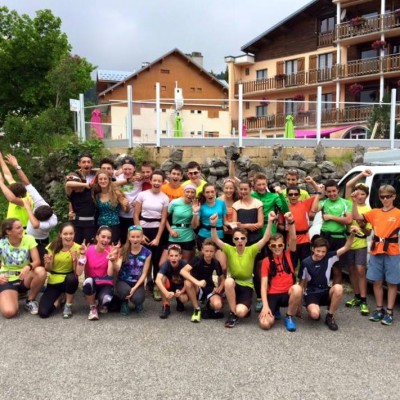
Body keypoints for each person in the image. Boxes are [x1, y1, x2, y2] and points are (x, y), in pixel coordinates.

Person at [209, 211, 274, 328]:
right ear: (233, 240)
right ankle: (232, 314)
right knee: (228, 281)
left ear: (246, 240)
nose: (239, 240)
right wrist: (213, 225)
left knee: (241, 312)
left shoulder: (252, 249)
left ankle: (241, 310)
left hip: (247, 285)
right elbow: (215, 240)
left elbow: (265, 238)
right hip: (233, 283)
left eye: (242, 238)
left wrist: (269, 221)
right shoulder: (229, 249)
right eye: (236, 238)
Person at [352, 184, 400, 326]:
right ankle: (379, 309)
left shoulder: (398, 213)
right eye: (382, 197)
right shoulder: (375, 212)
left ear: (394, 197)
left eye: (388, 197)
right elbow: (356, 216)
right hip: (376, 250)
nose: (385, 199)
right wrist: (354, 201)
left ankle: (389, 311)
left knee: (392, 282)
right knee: (377, 281)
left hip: (392, 251)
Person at [0, 154, 58, 263]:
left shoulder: (26, 201)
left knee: (23, 260)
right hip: (10, 230)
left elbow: (11, 198)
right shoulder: (16, 189)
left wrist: (1, 183)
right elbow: (8, 176)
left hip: (22, 233)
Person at [300, 228, 358, 331]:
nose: (320, 254)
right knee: (314, 315)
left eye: (323, 252)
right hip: (311, 292)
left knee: (338, 288)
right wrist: (299, 302)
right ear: (313, 249)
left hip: (325, 291)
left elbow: (346, 247)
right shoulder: (306, 262)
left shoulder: (329, 257)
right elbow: (303, 281)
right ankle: (313, 310)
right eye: (318, 251)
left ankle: (330, 316)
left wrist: (352, 234)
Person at [259, 211, 302, 332]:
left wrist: (291, 222)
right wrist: (265, 306)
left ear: (283, 245)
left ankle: (289, 317)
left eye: (279, 245)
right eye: (274, 246)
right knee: (265, 324)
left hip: (287, 293)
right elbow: (263, 286)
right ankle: (275, 308)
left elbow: (293, 238)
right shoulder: (266, 261)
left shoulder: (289, 254)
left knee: (297, 289)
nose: (277, 248)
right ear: (269, 247)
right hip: (273, 294)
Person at [0, 218, 47, 318]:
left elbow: (37, 261)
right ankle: (10, 296)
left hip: (25, 277)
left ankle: (30, 300)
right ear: (8, 231)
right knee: (9, 312)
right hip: (7, 279)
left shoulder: (29, 238)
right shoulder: (1, 243)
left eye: (22, 226)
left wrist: (28, 266)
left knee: (41, 271)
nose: (22, 229)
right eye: (18, 228)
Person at [134, 169, 169, 300]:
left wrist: (158, 237)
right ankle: (145, 282)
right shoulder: (142, 195)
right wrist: (140, 234)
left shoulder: (164, 198)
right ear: (150, 181)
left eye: (159, 181)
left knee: (156, 260)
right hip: (143, 229)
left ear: (162, 182)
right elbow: (136, 215)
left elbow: (164, 219)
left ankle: (156, 285)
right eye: (154, 180)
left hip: (157, 230)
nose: (156, 183)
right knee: (143, 259)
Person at [311, 179, 352, 284]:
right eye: (328, 192)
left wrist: (331, 217)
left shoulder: (345, 202)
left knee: (337, 269)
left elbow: (348, 220)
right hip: (324, 237)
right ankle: (321, 289)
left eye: (334, 191)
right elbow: (314, 209)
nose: (331, 194)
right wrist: (318, 194)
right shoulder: (324, 202)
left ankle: (335, 292)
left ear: (338, 190)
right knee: (321, 265)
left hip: (339, 238)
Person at [39, 223, 83, 319]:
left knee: (72, 278)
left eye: (71, 234)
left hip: (69, 280)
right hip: (54, 280)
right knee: (43, 313)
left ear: (74, 234)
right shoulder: (53, 246)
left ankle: (68, 305)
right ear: (60, 234)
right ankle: (60, 298)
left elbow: (77, 273)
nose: (68, 236)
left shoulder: (78, 248)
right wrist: (48, 262)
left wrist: (75, 260)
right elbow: (48, 269)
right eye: (65, 234)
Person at [232, 179, 264, 312]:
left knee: (257, 270)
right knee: (239, 268)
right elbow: (234, 225)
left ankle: (259, 298)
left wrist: (243, 225)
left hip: (256, 240)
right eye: (241, 189)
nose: (243, 191)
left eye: (246, 189)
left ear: (251, 189)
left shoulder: (258, 203)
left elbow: (260, 224)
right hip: (240, 240)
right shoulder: (236, 205)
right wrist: (250, 226)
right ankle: (238, 294)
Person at [344, 169, 372, 316]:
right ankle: (356, 296)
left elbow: (368, 232)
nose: (359, 196)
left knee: (361, 270)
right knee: (351, 270)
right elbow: (348, 185)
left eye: (363, 194)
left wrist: (361, 226)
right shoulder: (350, 201)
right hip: (349, 241)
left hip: (361, 242)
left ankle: (364, 299)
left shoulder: (369, 210)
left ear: (367, 196)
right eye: (358, 193)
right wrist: (362, 174)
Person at [180, 239, 225, 323]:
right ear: (202, 250)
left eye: (211, 251)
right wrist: (197, 282)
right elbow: (183, 271)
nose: (208, 253)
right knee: (187, 284)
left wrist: (219, 288)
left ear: (214, 252)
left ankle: (208, 304)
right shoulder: (197, 259)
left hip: (209, 287)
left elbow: (222, 279)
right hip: (196, 287)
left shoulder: (215, 262)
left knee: (217, 305)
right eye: (206, 251)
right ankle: (197, 309)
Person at [112, 225, 152, 316]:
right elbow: (117, 268)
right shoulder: (123, 250)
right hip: (123, 281)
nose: (135, 239)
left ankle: (138, 303)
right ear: (129, 237)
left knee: (138, 298)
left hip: (137, 282)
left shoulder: (147, 253)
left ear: (142, 237)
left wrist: (135, 288)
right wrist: (113, 261)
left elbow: (144, 274)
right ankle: (124, 302)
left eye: (138, 237)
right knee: (125, 291)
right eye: (133, 237)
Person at [81, 226, 118, 320]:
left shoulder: (112, 250)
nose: (106, 240)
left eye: (108, 238)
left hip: (106, 283)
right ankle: (92, 307)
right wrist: (82, 255)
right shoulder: (88, 249)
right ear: (97, 237)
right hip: (92, 282)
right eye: (103, 236)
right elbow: (79, 272)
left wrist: (112, 259)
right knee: (88, 282)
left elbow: (110, 274)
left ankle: (102, 304)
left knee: (106, 300)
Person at [159, 184, 197, 267]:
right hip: (174, 234)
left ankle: (179, 280)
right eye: (187, 192)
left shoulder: (195, 205)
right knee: (162, 264)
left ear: (195, 194)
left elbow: (195, 225)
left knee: (184, 264)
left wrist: (195, 212)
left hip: (188, 235)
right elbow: (164, 217)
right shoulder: (175, 202)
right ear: (183, 192)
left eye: (192, 192)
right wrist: (170, 230)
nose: (189, 194)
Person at [92, 169, 129, 244]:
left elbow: (126, 210)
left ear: (109, 180)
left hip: (114, 226)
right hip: (100, 226)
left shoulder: (116, 193)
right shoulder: (96, 195)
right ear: (97, 181)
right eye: (100, 179)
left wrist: (127, 205)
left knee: (113, 249)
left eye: (105, 179)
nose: (103, 181)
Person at [155, 244, 189, 319]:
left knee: (184, 299)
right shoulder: (166, 264)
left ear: (180, 256)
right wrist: (166, 292)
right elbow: (157, 280)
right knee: (162, 279)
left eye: (176, 256)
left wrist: (182, 292)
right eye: (171, 255)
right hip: (170, 286)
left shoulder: (184, 264)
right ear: (168, 257)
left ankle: (180, 302)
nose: (174, 258)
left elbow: (188, 281)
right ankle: (166, 305)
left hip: (181, 287)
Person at [115, 156, 142, 245]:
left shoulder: (140, 178)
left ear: (134, 168)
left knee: (134, 241)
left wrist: (141, 176)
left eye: (130, 169)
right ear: (121, 168)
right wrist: (128, 180)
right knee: (122, 241)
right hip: (120, 215)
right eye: (125, 169)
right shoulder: (118, 176)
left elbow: (153, 174)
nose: (127, 171)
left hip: (135, 216)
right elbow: (110, 183)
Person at [65, 171, 97, 244]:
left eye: (74, 182)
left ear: (79, 181)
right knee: (76, 246)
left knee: (89, 246)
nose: (73, 186)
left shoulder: (90, 190)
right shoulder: (71, 192)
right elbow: (67, 184)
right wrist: (86, 184)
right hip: (76, 224)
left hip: (90, 224)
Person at [218, 177, 239, 245]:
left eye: (231, 188)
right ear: (223, 188)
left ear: (234, 189)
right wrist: (222, 225)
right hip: (223, 231)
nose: (228, 190)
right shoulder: (219, 201)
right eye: (226, 188)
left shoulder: (238, 199)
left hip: (236, 232)